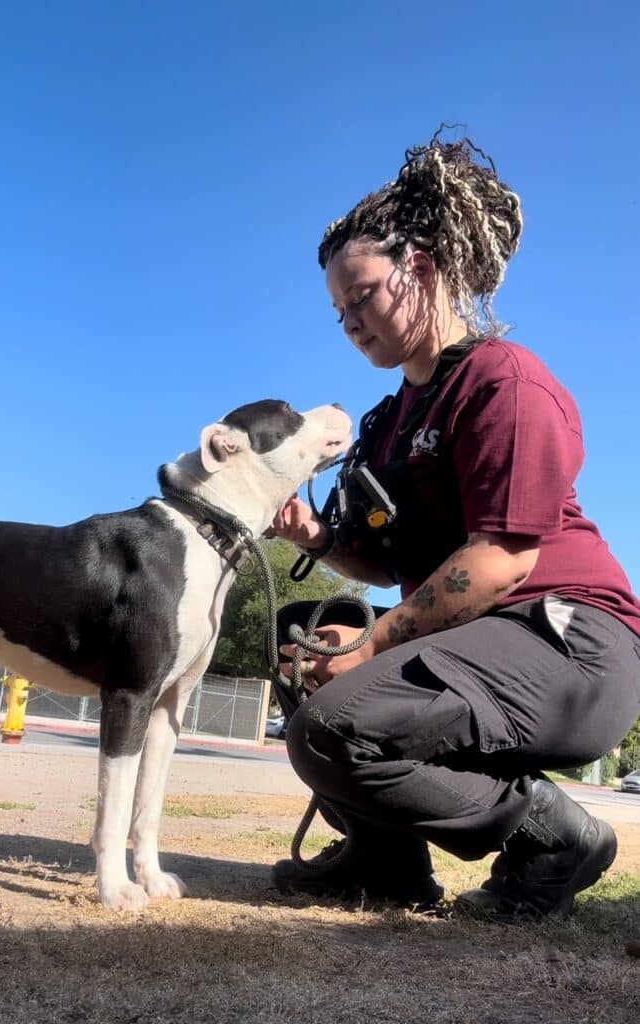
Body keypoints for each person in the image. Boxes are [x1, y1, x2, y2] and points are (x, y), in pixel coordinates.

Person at [268, 134, 640, 922]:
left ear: (423, 271)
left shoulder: (504, 380)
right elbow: (382, 559)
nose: (350, 322)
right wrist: (317, 541)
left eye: (361, 296)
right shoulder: (383, 422)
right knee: (303, 629)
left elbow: (502, 560)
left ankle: (551, 836)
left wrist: (371, 645)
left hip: (569, 642)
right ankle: (383, 861)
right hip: (475, 637)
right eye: (338, 311)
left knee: (329, 727)